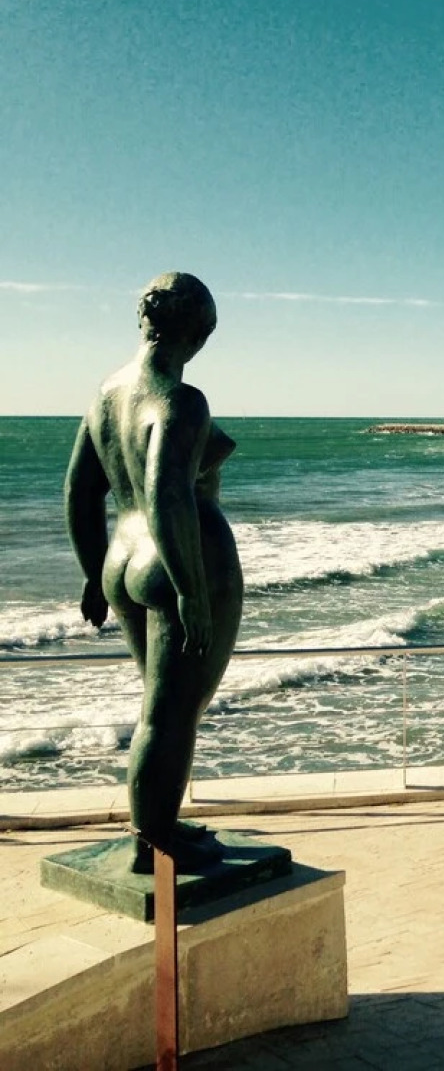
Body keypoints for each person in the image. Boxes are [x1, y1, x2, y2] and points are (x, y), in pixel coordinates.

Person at [66, 273, 242, 874]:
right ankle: (153, 840)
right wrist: (191, 588)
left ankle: (157, 824)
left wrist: (95, 574)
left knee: (158, 707)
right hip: (177, 564)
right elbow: (169, 494)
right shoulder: (178, 399)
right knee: (173, 712)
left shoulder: (107, 394)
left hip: (123, 556)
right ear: (198, 332)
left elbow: (78, 493)